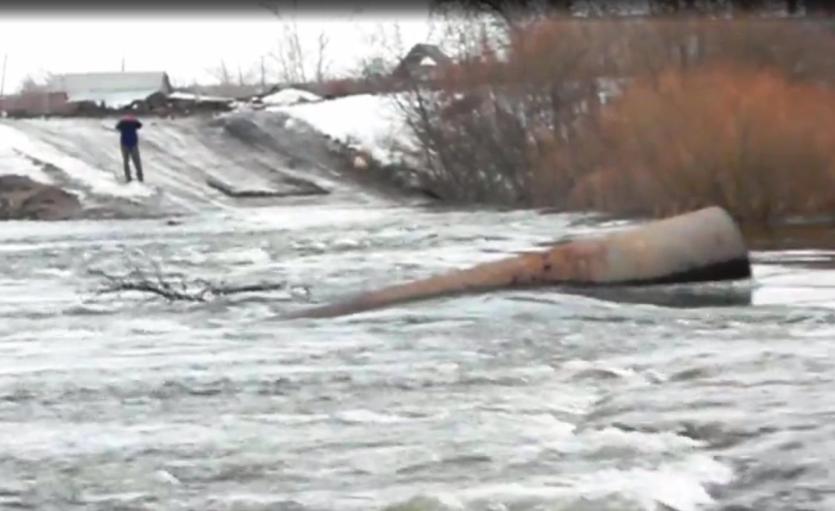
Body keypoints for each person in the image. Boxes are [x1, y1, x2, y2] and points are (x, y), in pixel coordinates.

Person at [115, 114, 144, 183]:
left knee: (126, 161)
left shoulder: (122, 122)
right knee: (137, 161)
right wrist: (135, 120)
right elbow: (140, 126)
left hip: (124, 143)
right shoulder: (134, 122)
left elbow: (117, 128)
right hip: (133, 143)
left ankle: (128, 177)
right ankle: (140, 177)